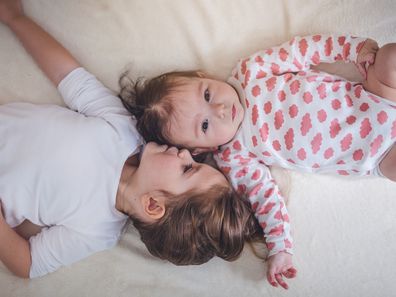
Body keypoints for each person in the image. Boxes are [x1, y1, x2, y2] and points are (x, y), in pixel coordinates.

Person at [0, 0, 262, 279]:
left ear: (152, 205)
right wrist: (16, 19)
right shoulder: (124, 130)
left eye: (188, 169)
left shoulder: (97, 230)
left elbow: (27, 263)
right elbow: (69, 76)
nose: (186, 153)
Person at [118, 32, 396, 288]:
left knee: (388, 59)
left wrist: (351, 48)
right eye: (204, 125)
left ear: (204, 76)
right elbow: (265, 198)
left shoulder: (249, 72)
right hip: (374, 152)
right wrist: (280, 247)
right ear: (200, 150)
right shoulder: (234, 157)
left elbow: (299, 52)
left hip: (373, 95)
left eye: (207, 94)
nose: (220, 109)